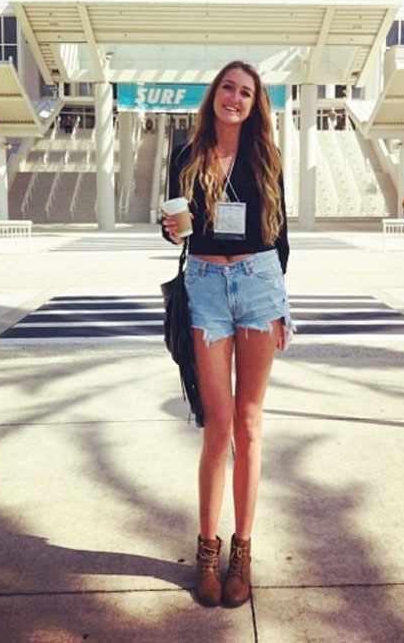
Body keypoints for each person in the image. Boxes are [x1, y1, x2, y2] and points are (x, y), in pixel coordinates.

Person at [161, 60, 295, 608]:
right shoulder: (185, 155)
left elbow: (279, 236)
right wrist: (170, 231)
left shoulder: (266, 156)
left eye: (245, 93)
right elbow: (177, 229)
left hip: (259, 284)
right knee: (217, 427)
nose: (234, 98)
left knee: (249, 422)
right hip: (206, 286)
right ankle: (207, 549)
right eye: (227, 88)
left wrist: (282, 305)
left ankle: (242, 549)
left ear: (254, 104)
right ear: (214, 94)